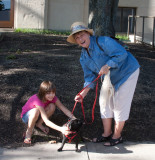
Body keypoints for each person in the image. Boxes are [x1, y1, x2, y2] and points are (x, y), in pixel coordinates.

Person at [67, 22, 140, 146]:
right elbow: (90, 78)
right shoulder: (83, 58)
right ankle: (107, 134)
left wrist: (108, 65)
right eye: (77, 37)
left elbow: (122, 53)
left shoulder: (104, 41)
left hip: (127, 72)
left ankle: (117, 137)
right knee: (104, 102)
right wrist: (82, 94)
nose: (80, 39)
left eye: (82, 35)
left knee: (119, 103)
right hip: (109, 78)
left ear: (88, 34)